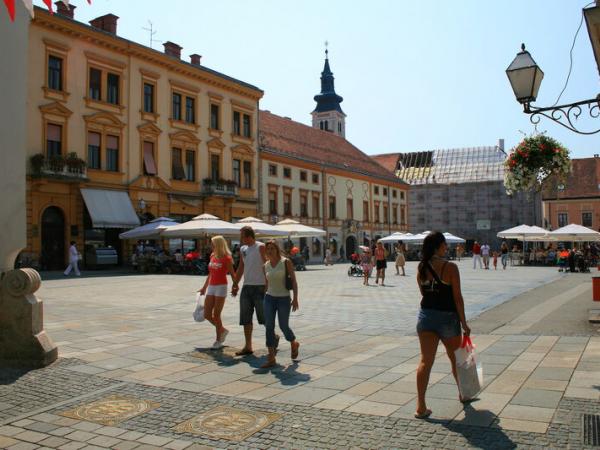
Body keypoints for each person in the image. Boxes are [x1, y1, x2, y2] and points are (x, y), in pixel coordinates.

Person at [415, 231, 470, 419]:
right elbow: (458, 298)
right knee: (456, 359)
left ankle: (421, 406)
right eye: (444, 244)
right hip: (448, 318)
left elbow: (423, 293)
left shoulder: (421, 267)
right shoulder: (451, 267)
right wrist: (464, 323)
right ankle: (463, 393)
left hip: (426, 317)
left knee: (425, 361)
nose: (447, 247)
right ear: (438, 246)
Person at [261, 240, 300, 368]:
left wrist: (295, 299)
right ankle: (271, 357)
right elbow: (267, 284)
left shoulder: (285, 262)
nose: (270, 251)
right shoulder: (265, 265)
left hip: (283, 299)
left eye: (272, 248)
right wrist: (263, 297)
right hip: (269, 298)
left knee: (283, 326)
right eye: (268, 249)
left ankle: (293, 342)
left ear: (277, 249)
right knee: (269, 327)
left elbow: (293, 281)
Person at [199, 236, 237, 350]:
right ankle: (222, 330)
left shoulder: (227, 258)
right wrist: (204, 288)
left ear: (218, 244)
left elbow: (233, 274)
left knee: (216, 315)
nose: (211, 245)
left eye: (212, 243)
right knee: (206, 314)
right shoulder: (212, 255)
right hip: (211, 286)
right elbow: (210, 274)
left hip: (221, 287)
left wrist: (235, 286)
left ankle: (218, 340)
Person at [233, 226, 267, 356]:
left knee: (264, 317)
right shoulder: (243, 249)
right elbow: (241, 267)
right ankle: (248, 346)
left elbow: (266, 266)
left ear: (248, 236)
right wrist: (235, 283)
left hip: (260, 286)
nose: (240, 239)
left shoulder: (261, 247)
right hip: (247, 286)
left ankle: (272, 337)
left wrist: (267, 284)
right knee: (245, 318)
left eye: (242, 236)